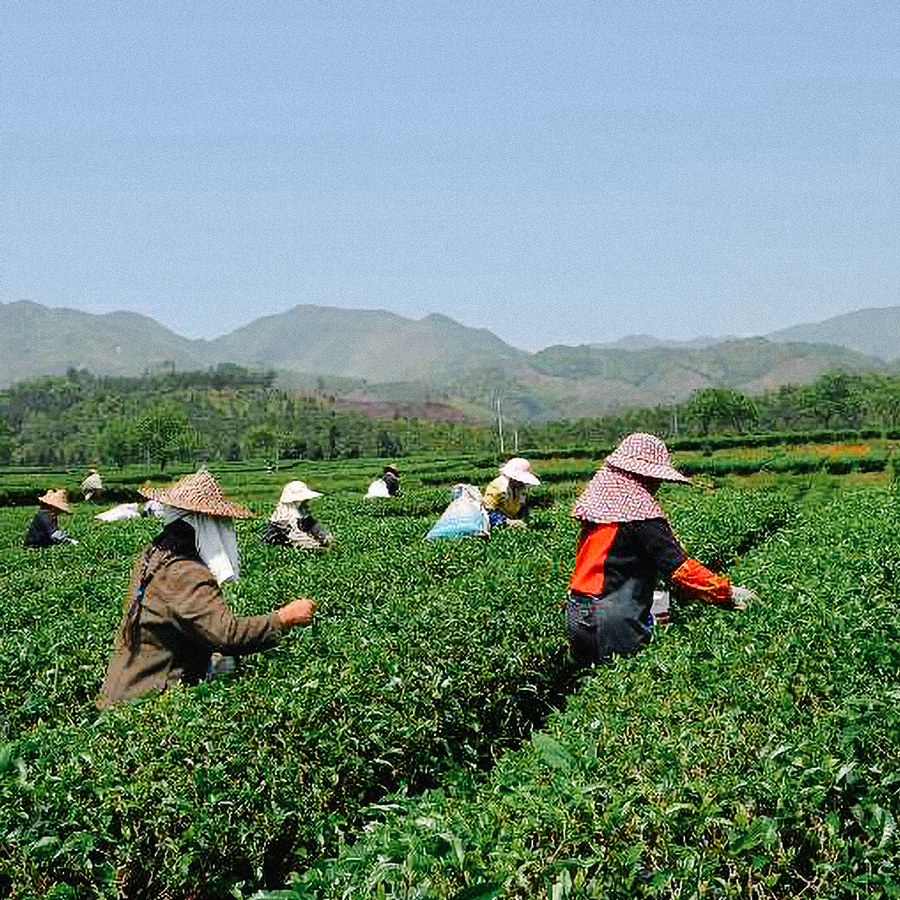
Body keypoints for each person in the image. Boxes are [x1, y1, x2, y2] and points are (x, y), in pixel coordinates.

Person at [98, 472, 316, 708]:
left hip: (128, 684)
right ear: (205, 522)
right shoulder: (184, 571)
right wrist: (283, 618)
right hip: (145, 700)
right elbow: (225, 634)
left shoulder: (156, 552)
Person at [567, 433, 758, 664]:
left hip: (578, 613)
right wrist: (725, 592)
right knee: (625, 683)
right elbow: (680, 569)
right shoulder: (639, 516)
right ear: (644, 477)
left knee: (593, 683)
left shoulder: (600, 515)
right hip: (612, 618)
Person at [263, 481, 333, 550]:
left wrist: (322, 536)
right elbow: (292, 535)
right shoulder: (284, 517)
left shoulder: (302, 512)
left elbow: (313, 526)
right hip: (281, 541)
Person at [482, 457, 541, 529]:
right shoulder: (498, 487)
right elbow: (490, 511)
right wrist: (507, 522)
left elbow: (519, 505)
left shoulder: (516, 488)